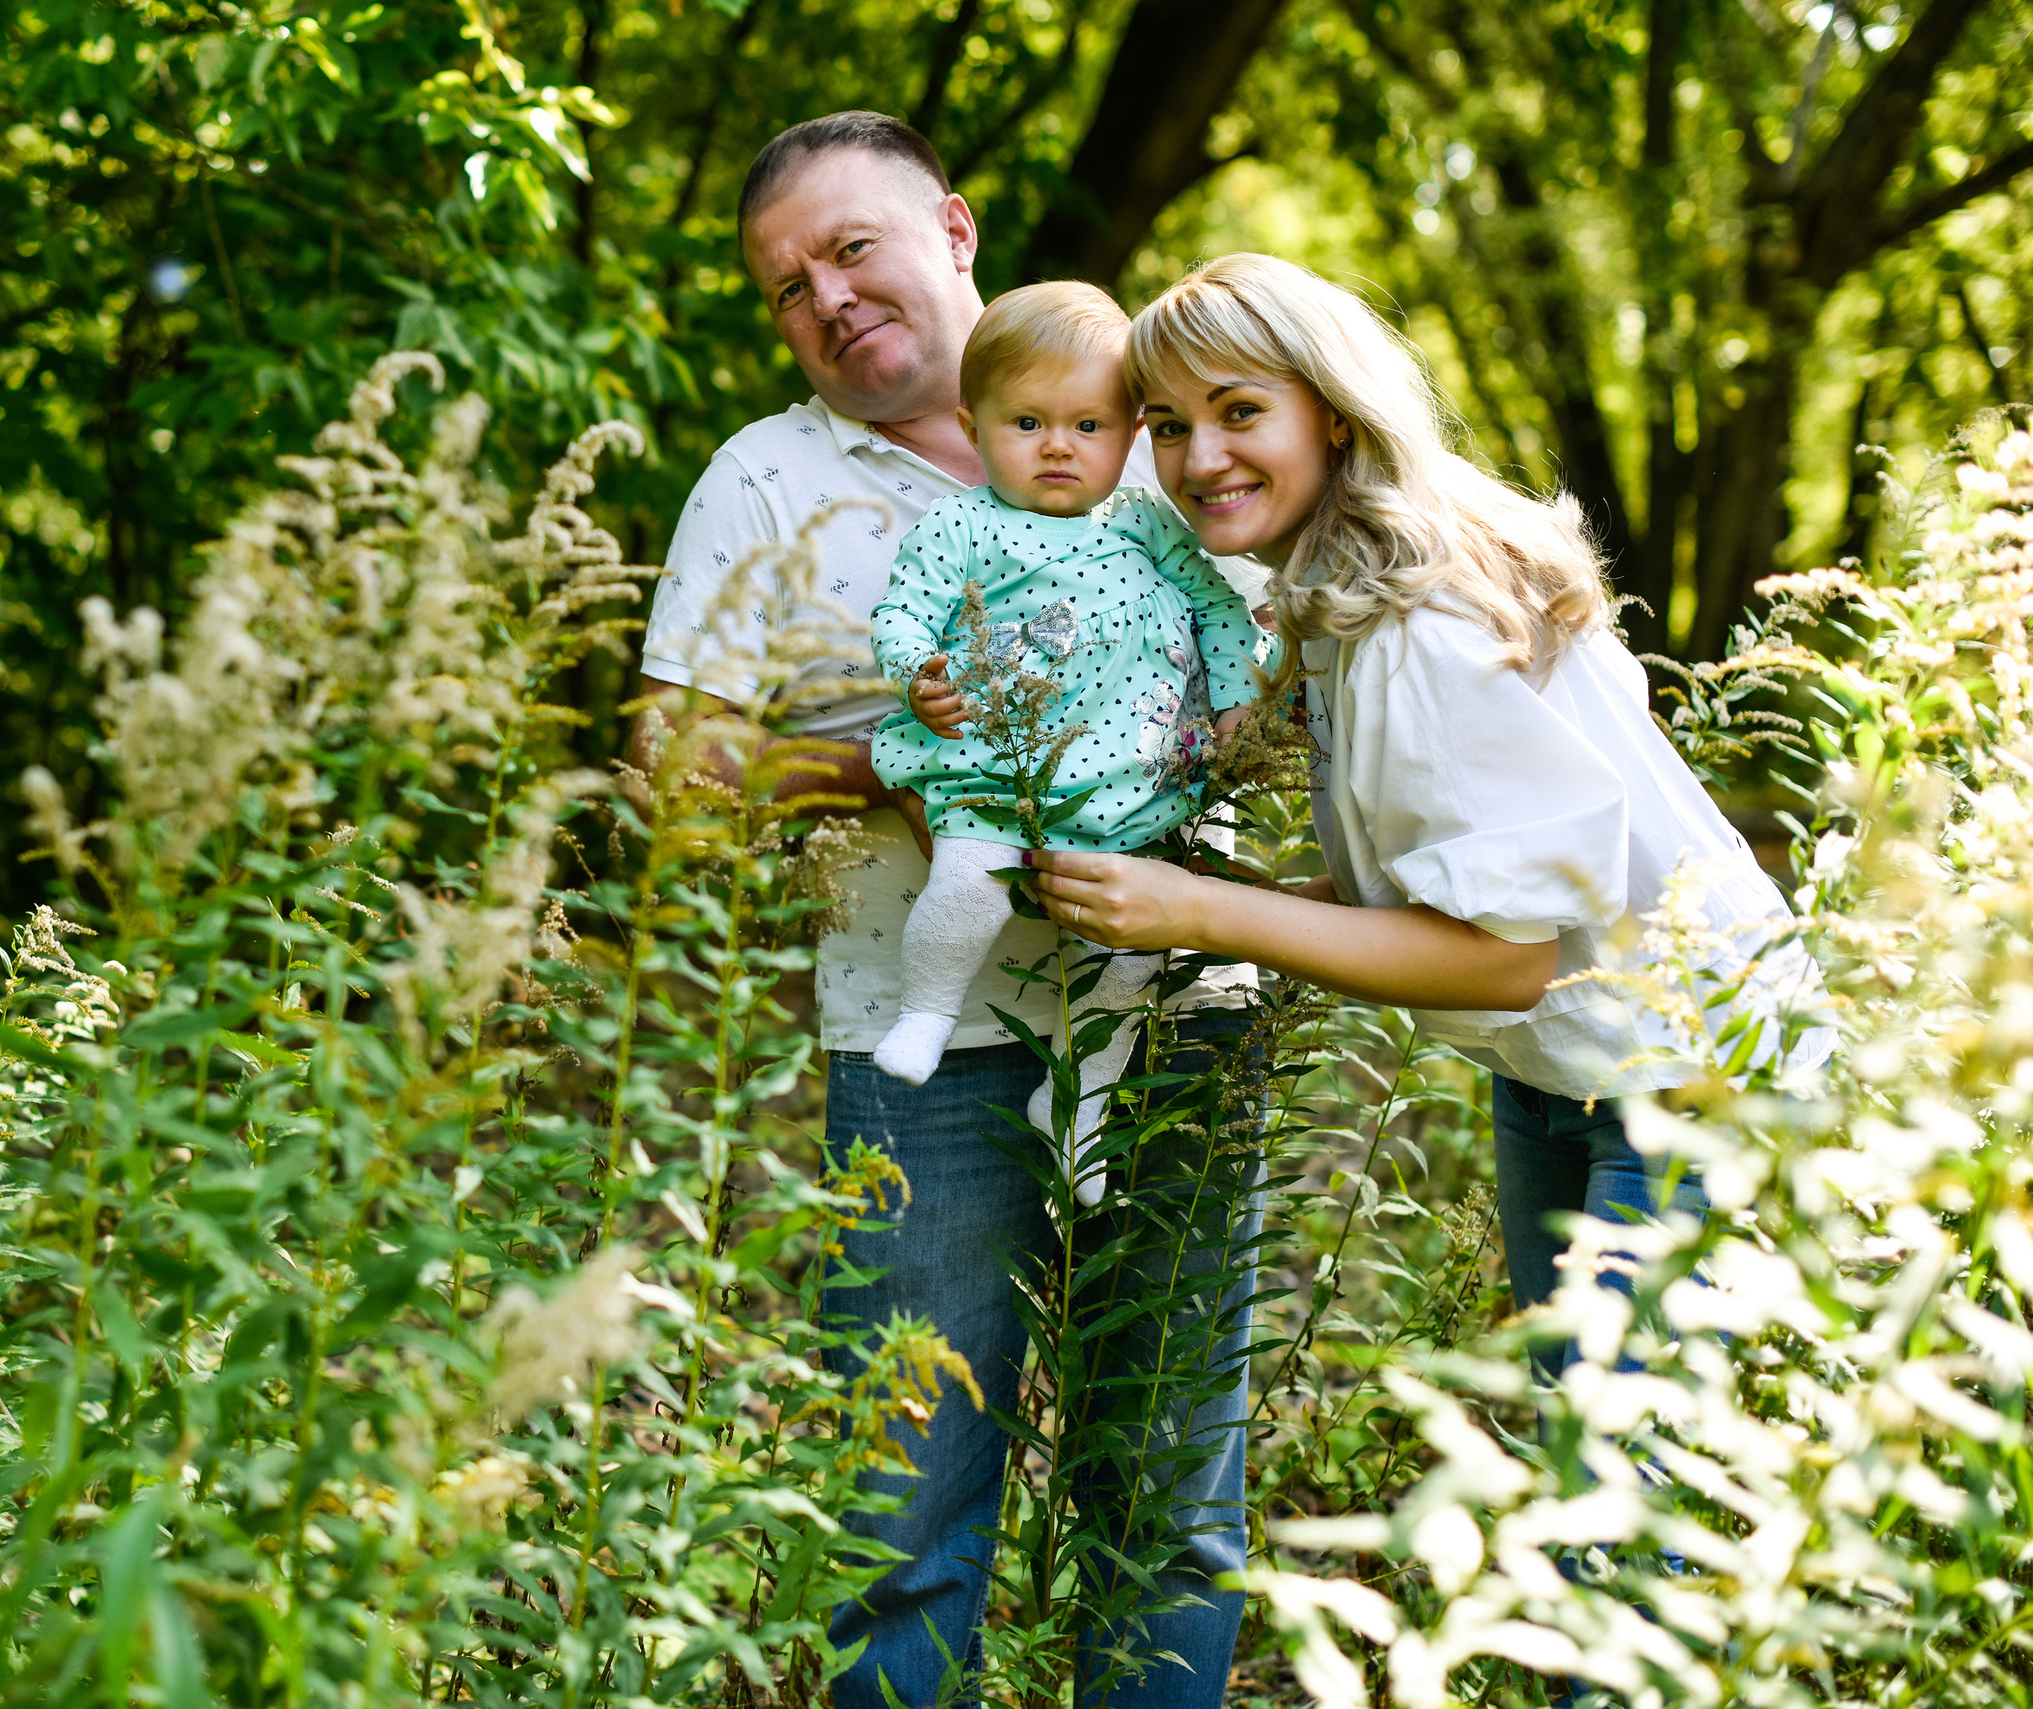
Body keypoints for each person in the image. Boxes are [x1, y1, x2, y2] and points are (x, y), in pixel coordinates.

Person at [634, 115, 1263, 1709]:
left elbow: (1287, 648)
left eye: (850, 248)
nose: (828, 299)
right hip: (929, 1055)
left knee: (1171, 1507)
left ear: (956, 230)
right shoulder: (767, 479)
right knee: (906, 1516)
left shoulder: (1166, 416)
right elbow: (671, 766)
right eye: (788, 288)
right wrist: (887, 770)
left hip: (1177, 1015)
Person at [1019, 252, 1830, 1363]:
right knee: (1576, 1426)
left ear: (1334, 412)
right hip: (1576, 1069)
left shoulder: (1420, 626)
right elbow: (1457, 875)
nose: (1199, 458)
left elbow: (1505, 956)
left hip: (1693, 1072)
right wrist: (1223, 891)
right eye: (1166, 425)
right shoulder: (1347, 589)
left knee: (1614, 1455)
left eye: (1240, 410)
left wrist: (1203, 913)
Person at [867, 280, 1266, 1209]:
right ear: (972, 427)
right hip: (993, 767)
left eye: (1088, 426)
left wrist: (1236, 704)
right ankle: (927, 1010)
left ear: (1130, 432)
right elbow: (902, 612)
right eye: (1028, 423)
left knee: (1129, 956)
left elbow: (1219, 609)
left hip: (1127, 791)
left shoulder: (1143, 522)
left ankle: (1079, 1100)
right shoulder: (963, 525)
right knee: (965, 887)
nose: (1058, 445)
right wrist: (919, 672)